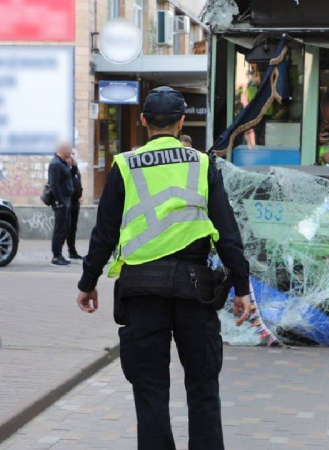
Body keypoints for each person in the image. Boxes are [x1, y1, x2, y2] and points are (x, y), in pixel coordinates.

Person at [75, 86, 252, 449]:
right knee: (203, 387)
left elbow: (104, 232)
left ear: (143, 122)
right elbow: (227, 232)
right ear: (182, 122)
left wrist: (88, 281)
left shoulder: (124, 165)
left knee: (150, 388)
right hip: (195, 291)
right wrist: (242, 288)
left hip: (141, 291)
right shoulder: (202, 164)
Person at [48, 142, 74, 266]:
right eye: (69, 150)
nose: (71, 152)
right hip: (61, 201)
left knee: (65, 228)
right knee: (60, 229)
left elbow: (69, 178)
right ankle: (56, 256)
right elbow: (54, 184)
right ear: (63, 150)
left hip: (66, 200)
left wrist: (73, 166)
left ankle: (60, 254)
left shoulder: (63, 163)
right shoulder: (55, 164)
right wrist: (59, 201)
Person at [66, 150, 84, 260]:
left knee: (73, 228)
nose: (72, 158)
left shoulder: (76, 170)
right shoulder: (64, 169)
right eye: (69, 155)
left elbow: (78, 183)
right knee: (66, 228)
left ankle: (72, 251)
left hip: (75, 203)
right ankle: (58, 254)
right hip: (67, 203)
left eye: (73, 155)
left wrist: (80, 195)